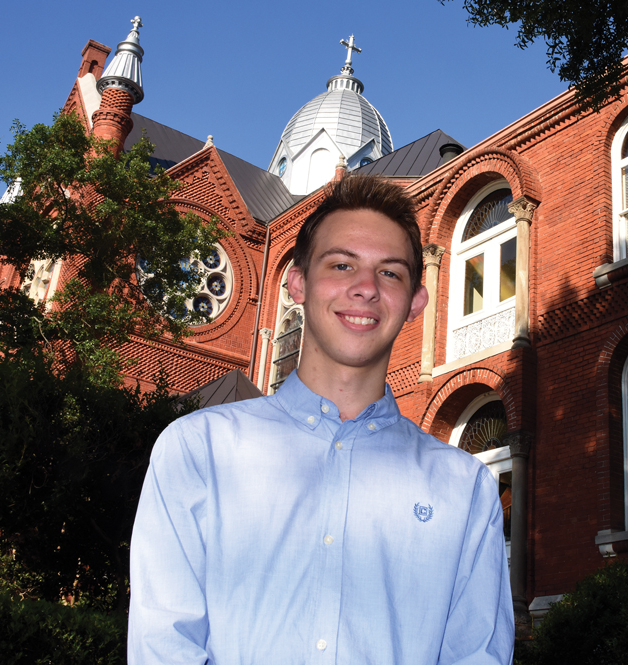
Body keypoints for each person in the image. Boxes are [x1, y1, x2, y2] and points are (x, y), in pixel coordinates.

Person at [127, 174, 514, 664]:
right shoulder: (198, 451)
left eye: (391, 273)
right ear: (297, 282)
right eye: (341, 264)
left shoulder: (465, 489)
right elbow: (165, 648)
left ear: (416, 301)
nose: (366, 289)